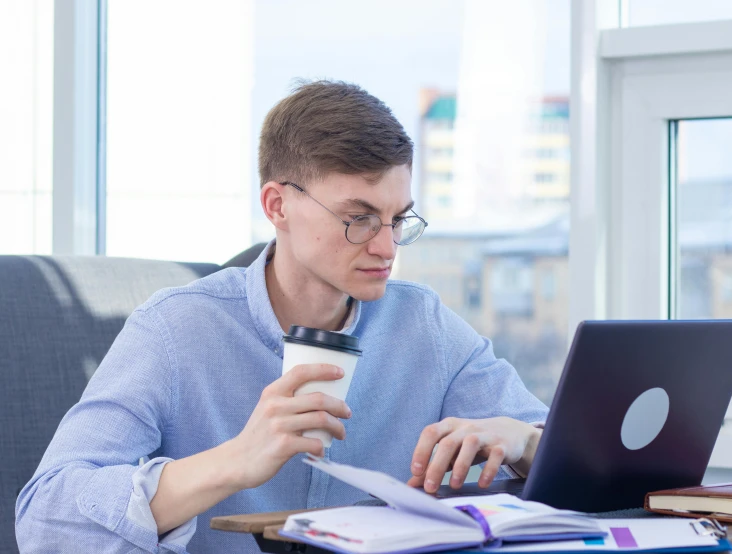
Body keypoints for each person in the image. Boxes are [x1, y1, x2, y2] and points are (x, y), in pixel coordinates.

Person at [15, 80, 548, 553]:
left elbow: (577, 456)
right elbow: (44, 520)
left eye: (398, 219)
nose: (387, 246)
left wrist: (523, 440)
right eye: (358, 218)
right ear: (277, 205)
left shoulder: (424, 326)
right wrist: (234, 461)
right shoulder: (175, 332)